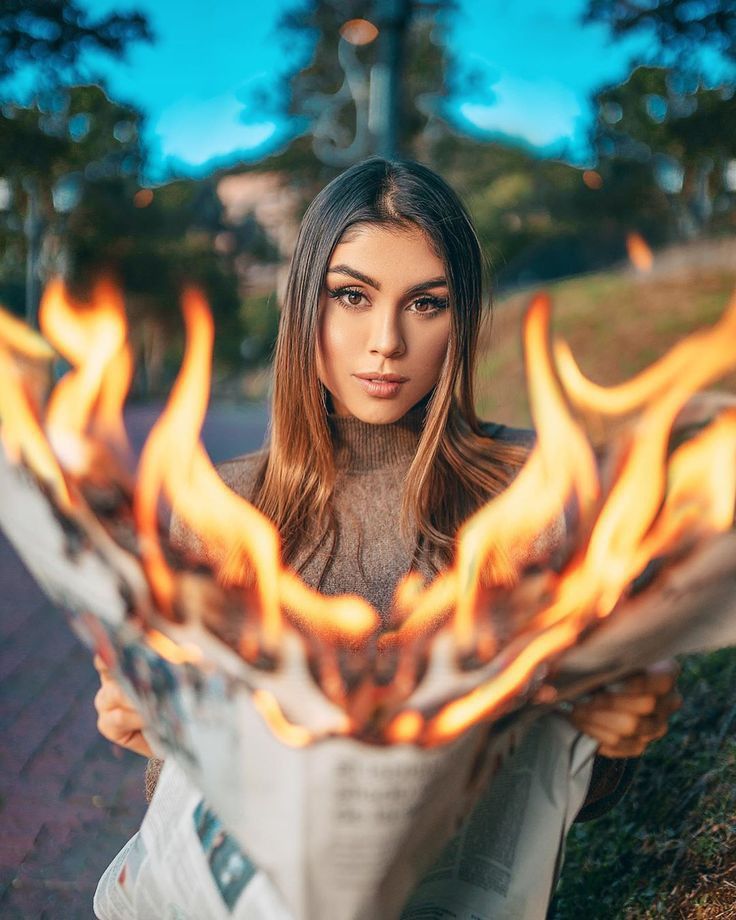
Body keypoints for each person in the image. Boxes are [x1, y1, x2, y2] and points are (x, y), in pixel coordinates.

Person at [93, 156, 680, 889]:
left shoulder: (531, 492)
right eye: (352, 296)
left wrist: (615, 739)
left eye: (426, 303)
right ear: (308, 302)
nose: (387, 342)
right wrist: (161, 735)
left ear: (460, 318)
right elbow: (174, 809)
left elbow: (573, 795)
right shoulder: (221, 508)